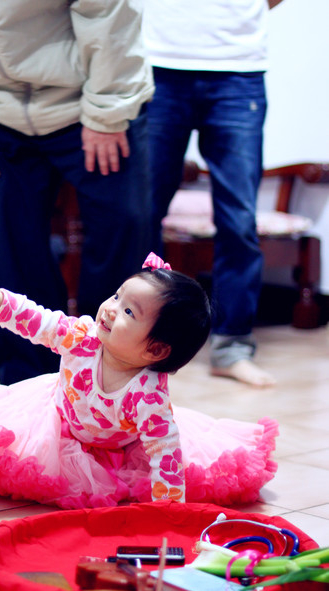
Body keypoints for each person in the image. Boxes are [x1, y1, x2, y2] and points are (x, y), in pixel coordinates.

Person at [0, 0, 154, 384]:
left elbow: (108, 15)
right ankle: (27, 385)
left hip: (89, 99)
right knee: (12, 249)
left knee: (123, 230)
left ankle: (115, 381)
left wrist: (107, 110)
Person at [0, 253, 278, 510]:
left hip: (119, 443)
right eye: (117, 297)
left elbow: (165, 454)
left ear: (156, 349)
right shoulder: (81, 336)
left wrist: (168, 511)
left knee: (171, 463)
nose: (112, 309)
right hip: (58, 419)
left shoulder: (149, 396)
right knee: (8, 457)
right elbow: (34, 319)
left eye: (129, 312)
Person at [142, 0, 284, 388]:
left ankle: (232, 348)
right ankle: (138, 342)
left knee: (239, 220)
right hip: (158, 62)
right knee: (143, 213)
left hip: (239, 69)